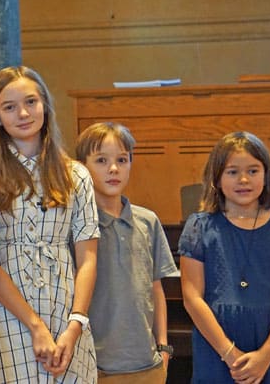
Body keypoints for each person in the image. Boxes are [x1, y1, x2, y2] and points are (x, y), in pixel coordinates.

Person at [0, 65, 99, 383]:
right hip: (7, 315)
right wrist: (35, 326)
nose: (23, 113)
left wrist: (75, 324)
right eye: (9, 107)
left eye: (31, 102)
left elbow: (88, 258)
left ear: (44, 103)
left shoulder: (76, 175)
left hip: (66, 310)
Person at [178, 131, 270, 383]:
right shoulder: (199, 227)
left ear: (266, 175)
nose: (243, 179)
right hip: (216, 345)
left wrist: (265, 356)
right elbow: (192, 297)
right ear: (217, 178)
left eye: (253, 171)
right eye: (232, 172)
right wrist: (229, 353)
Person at [75, 122, 177, 384]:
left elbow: (156, 288)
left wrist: (163, 346)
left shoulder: (148, 221)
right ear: (81, 167)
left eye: (122, 159)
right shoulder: (77, 226)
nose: (113, 169)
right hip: (95, 365)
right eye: (101, 160)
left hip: (147, 363)